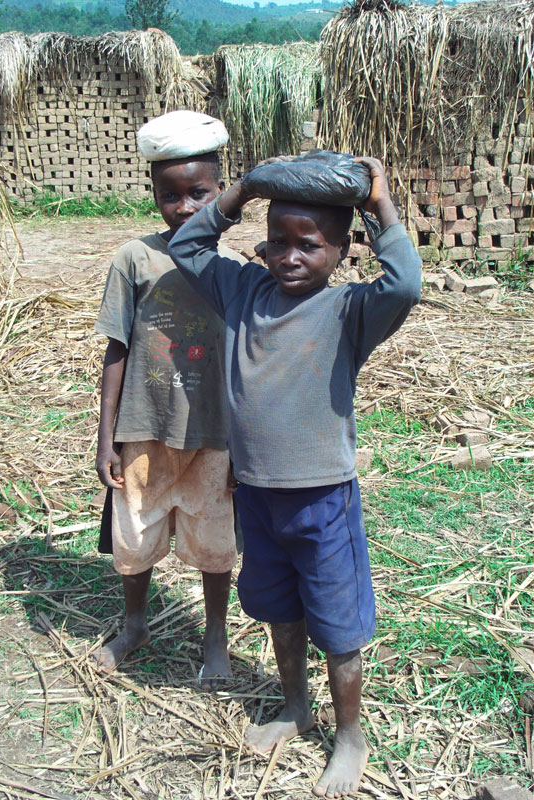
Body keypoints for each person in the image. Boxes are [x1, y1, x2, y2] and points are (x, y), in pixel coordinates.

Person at [168, 156, 421, 796]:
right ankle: (292, 706)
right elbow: (189, 243)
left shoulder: (350, 310)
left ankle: (350, 736)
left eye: (309, 244)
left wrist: (379, 203)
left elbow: (407, 284)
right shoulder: (244, 291)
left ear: (341, 250)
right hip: (256, 495)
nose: (289, 256)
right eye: (278, 240)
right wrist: (244, 190)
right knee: (280, 611)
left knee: (336, 625)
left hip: (323, 499)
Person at [94, 111, 247, 689]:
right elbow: (116, 350)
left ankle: (214, 637)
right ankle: (136, 624)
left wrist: (246, 448)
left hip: (213, 433)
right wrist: (105, 437)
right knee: (134, 539)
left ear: (220, 192)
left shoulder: (235, 269)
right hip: (144, 427)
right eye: (170, 195)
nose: (184, 207)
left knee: (214, 541)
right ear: (154, 194)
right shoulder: (135, 259)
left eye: (199, 194)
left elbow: (248, 365)